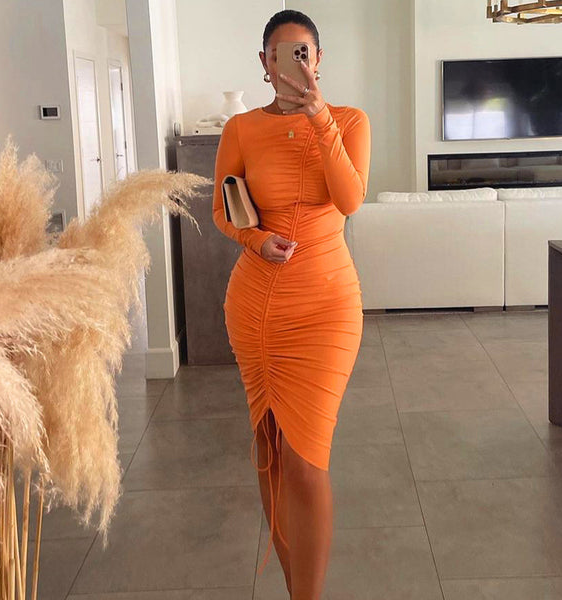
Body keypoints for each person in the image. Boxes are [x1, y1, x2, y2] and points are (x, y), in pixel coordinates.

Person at [212, 9, 371, 600]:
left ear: (318, 60)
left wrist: (319, 118)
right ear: (264, 63)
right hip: (255, 303)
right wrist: (255, 239)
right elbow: (222, 209)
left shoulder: (349, 120)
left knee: (307, 457)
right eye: (282, 54)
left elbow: (350, 200)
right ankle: (295, 589)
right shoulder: (240, 128)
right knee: (271, 449)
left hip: (326, 305)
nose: (293, 64)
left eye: (304, 52)